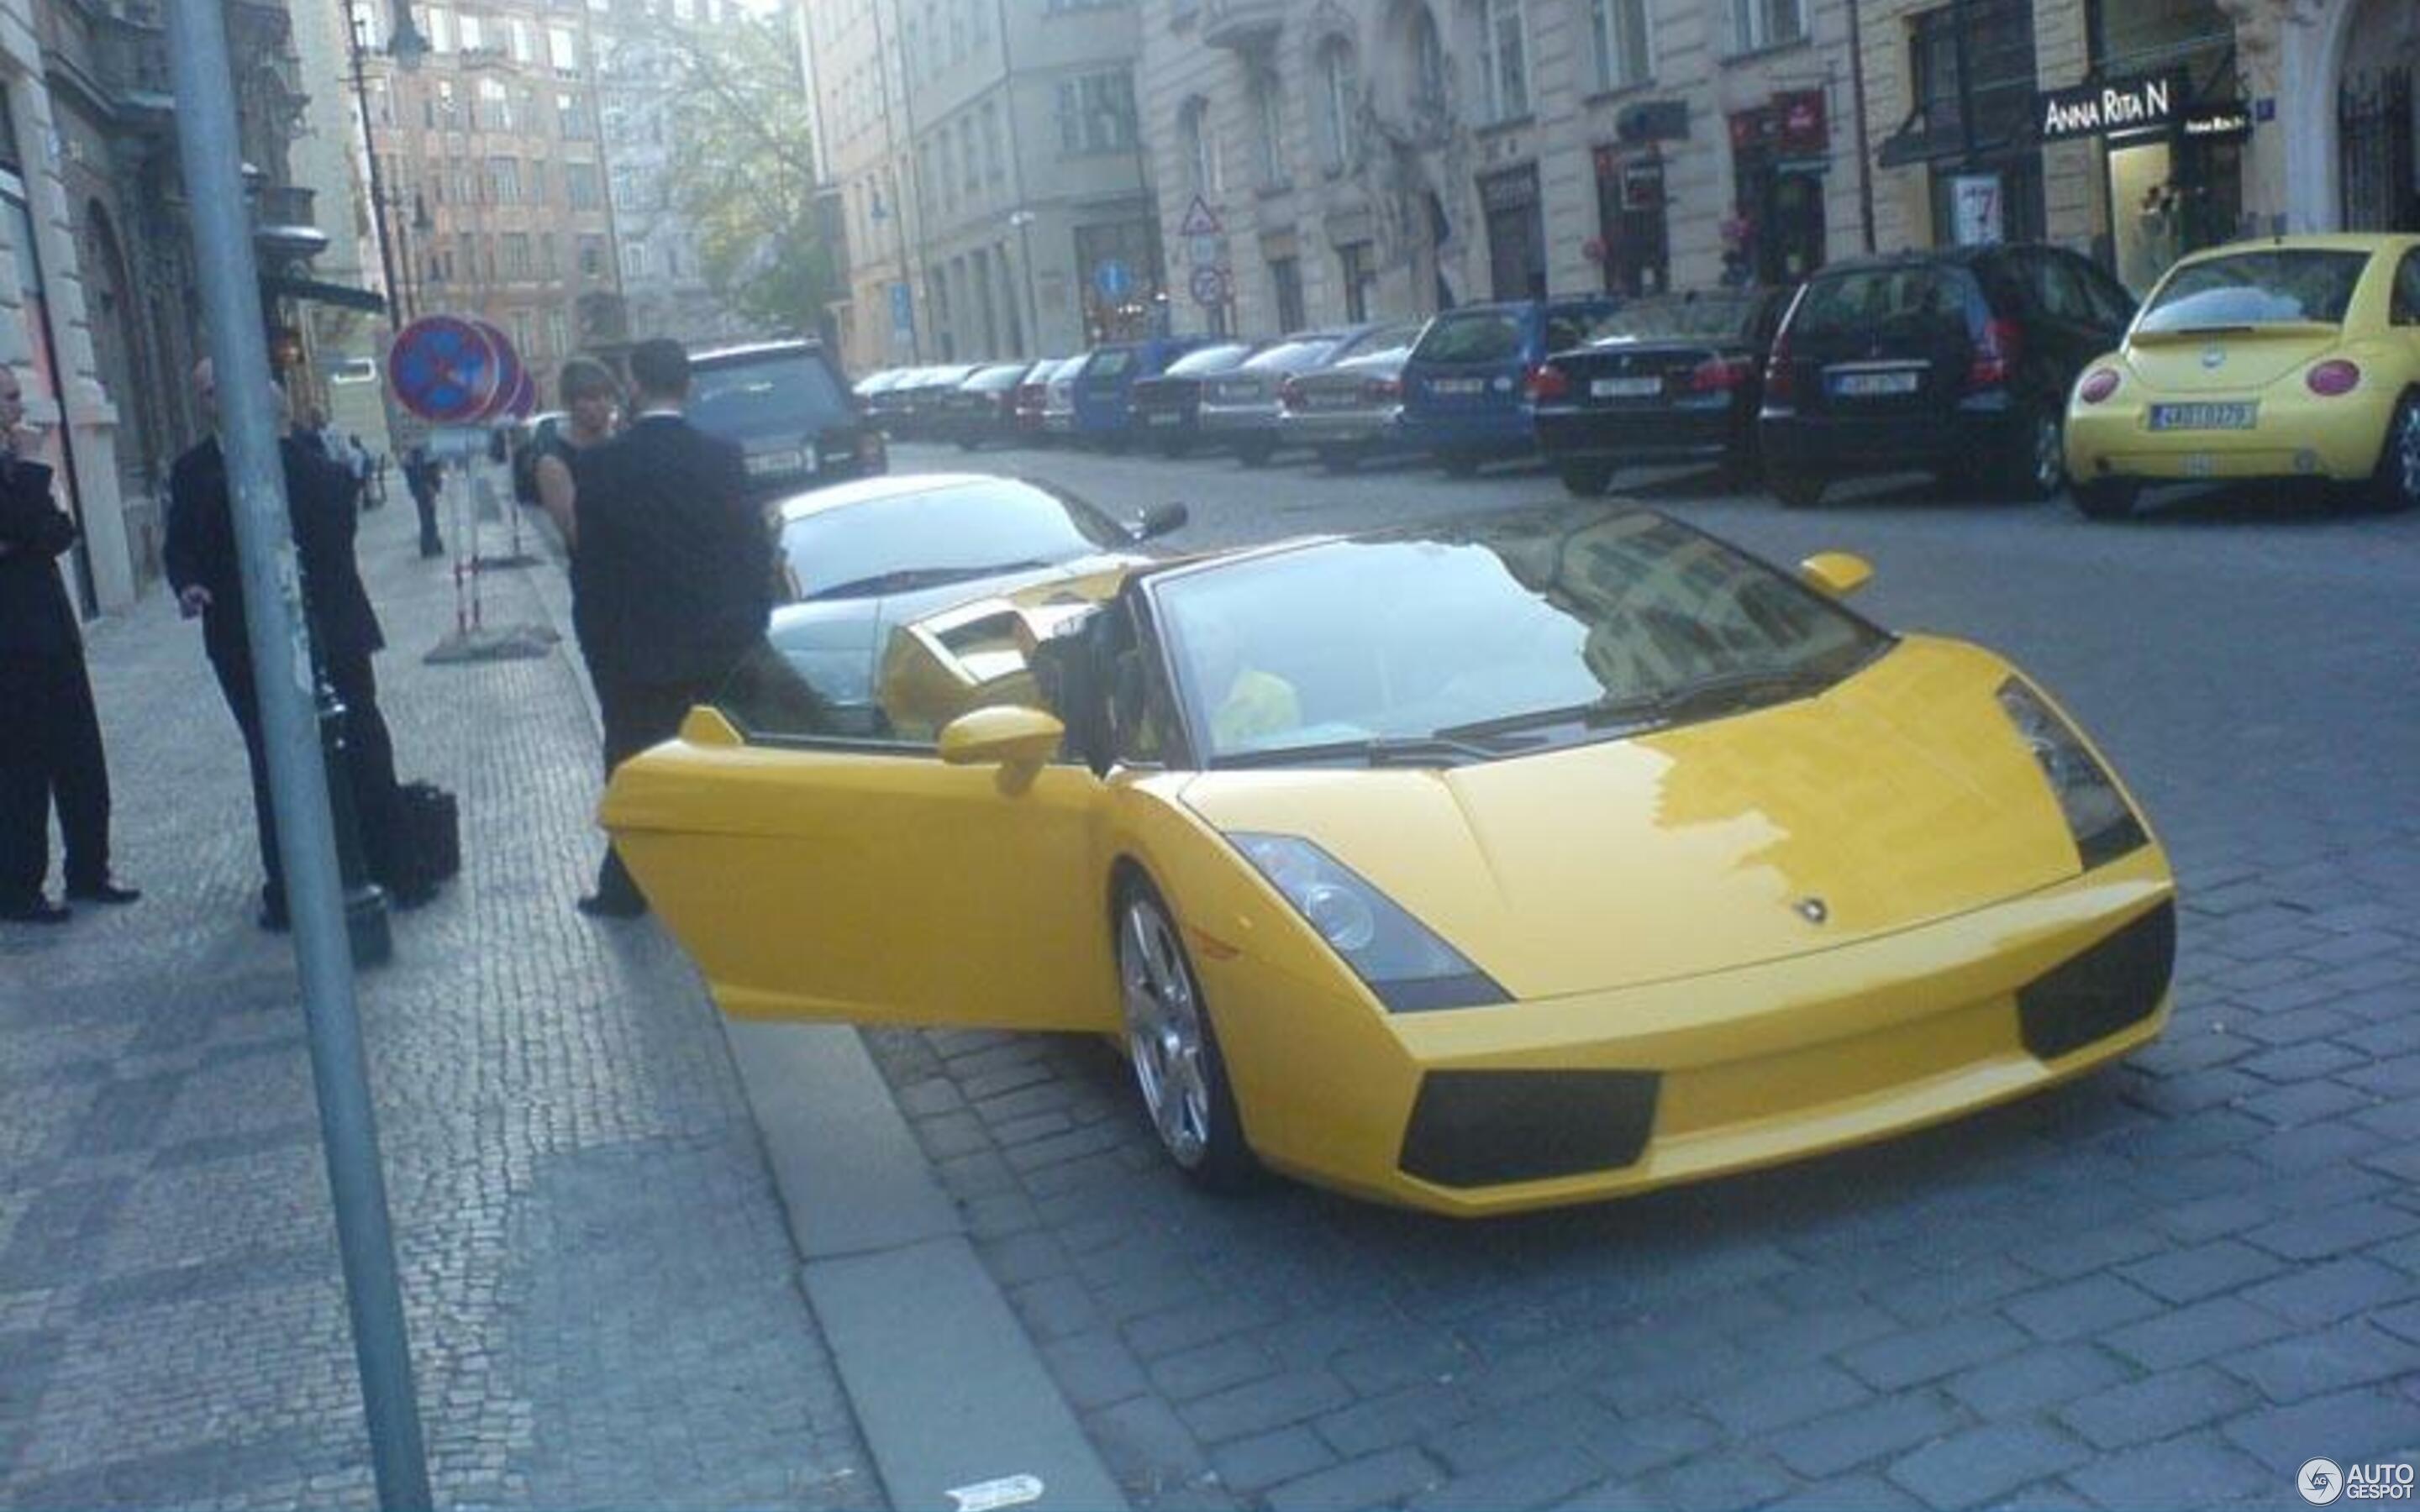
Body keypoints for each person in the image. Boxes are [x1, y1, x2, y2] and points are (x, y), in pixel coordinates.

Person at [166, 359, 404, 931]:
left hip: (329, 627)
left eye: (221, 385)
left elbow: (333, 539)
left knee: (360, 740)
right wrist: (189, 583)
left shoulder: (312, 463)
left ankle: (390, 862)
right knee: (270, 754)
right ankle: (290, 884)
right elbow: (181, 545)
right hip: (239, 637)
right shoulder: (195, 470)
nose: (212, 398)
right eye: (204, 391)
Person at [570, 338, 771, 918]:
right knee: (724, 767)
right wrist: (750, 629)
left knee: (634, 768)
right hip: (720, 647)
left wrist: (600, 650)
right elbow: (751, 552)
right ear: (689, 386)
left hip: (636, 653)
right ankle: (731, 880)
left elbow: (594, 572)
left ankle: (629, 889)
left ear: (633, 385)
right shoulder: (722, 456)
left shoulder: (602, 465)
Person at [0, 365, 139, 922]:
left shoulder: (19, 467)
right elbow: (31, 523)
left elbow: (57, 533)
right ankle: (18, 887)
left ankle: (90, 867)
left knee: (82, 760)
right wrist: (34, 474)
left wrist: (22, 533)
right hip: (10, 649)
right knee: (21, 771)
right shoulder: (25, 466)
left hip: (54, 635)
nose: (19, 408)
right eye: (9, 397)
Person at [533, 358, 619, 552]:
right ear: (569, 403)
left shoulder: (625, 444)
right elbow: (574, 534)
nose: (602, 404)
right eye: (591, 398)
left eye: (607, 395)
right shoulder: (554, 462)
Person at [403, 445, 444, 558]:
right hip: (424, 484)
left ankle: (430, 544)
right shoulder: (422, 454)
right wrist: (433, 486)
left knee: (426, 515)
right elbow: (432, 469)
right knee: (428, 516)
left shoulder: (413, 455)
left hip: (420, 485)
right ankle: (431, 544)